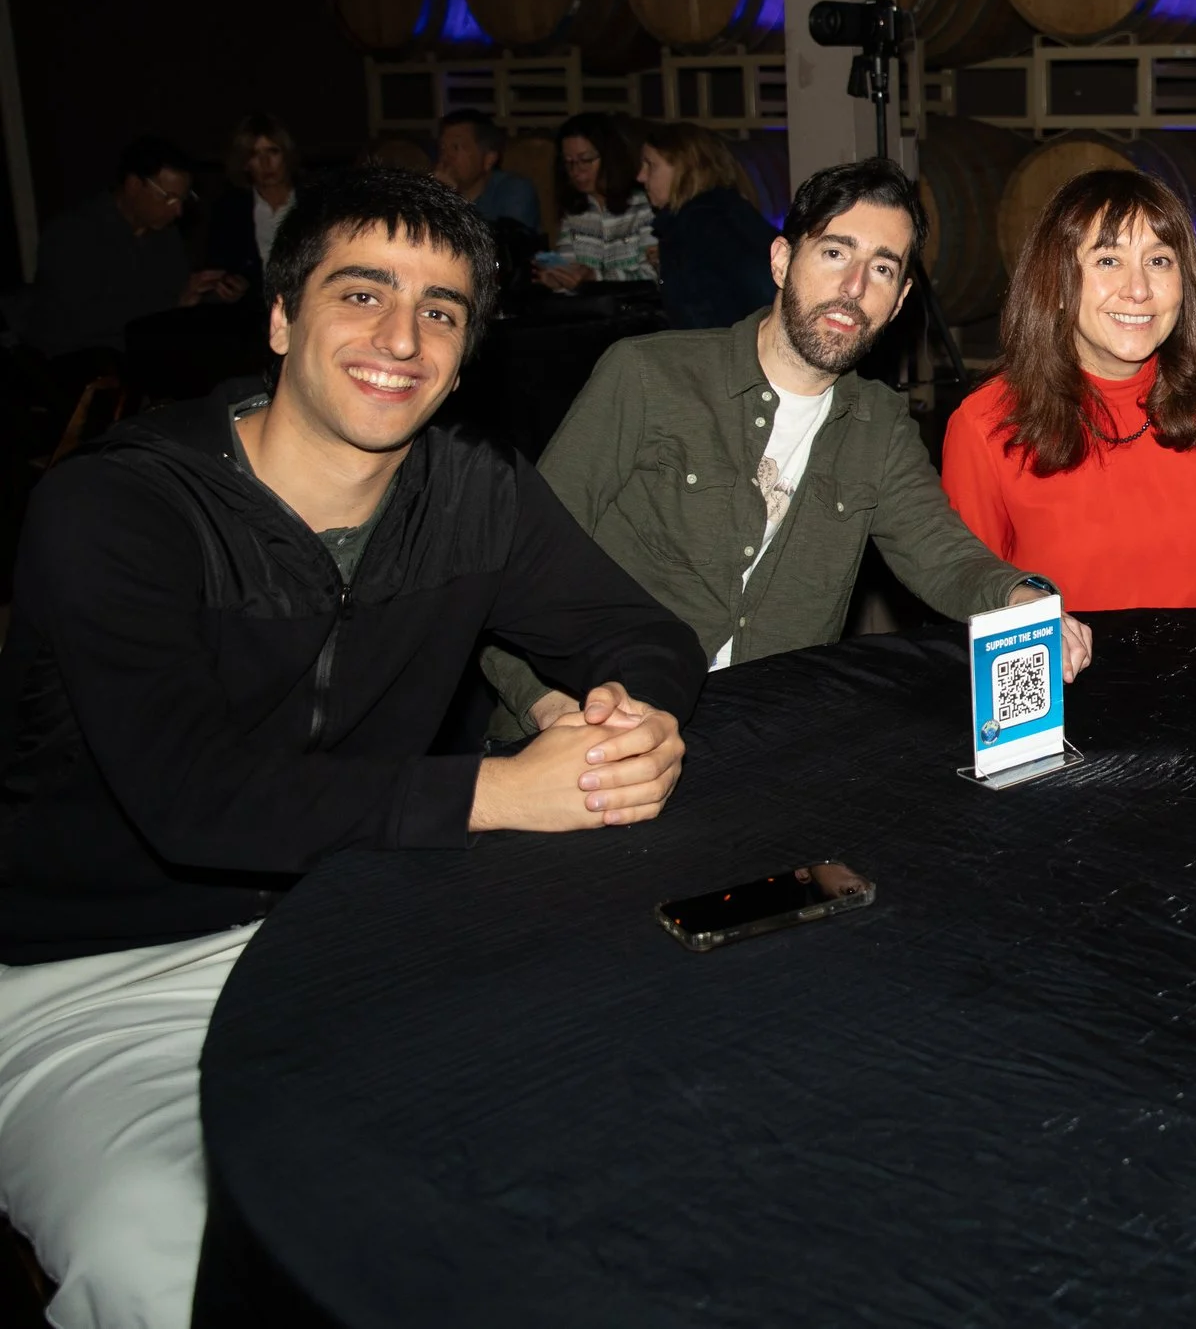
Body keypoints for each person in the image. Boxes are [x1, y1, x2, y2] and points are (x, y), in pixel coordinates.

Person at [0, 165, 706, 1329]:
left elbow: (639, 630)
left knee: (604, 1143)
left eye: (440, 309)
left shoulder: (473, 490)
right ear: (281, 318)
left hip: (354, 929)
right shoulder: (115, 510)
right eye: (360, 293)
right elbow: (195, 798)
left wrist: (636, 717)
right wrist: (497, 792)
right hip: (89, 979)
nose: (401, 336)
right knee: (168, 1251)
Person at [482, 156, 1090, 737]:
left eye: (882, 269)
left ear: (900, 302)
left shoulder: (877, 424)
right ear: (781, 260)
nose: (853, 287)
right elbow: (517, 560)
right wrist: (548, 705)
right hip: (592, 719)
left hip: (759, 734)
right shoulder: (648, 376)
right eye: (834, 252)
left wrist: (1021, 597)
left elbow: (940, 552)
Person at [942, 167, 1196, 610]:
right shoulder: (986, 426)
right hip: (1085, 676)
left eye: (1158, 261)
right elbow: (975, 603)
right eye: (1108, 260)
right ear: (1056, 284)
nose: (1138, 290)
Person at [23, 136, 245, 371]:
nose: (178, 210)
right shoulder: (72, 234)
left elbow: (177, 292)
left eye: (183, 199)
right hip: (78, 365)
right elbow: (83, 319)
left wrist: (214, 293)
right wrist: (174, 304)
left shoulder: (164, 235)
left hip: (144, 356)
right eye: (169, 197)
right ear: (134, 185)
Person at [641, 120, 776, 330]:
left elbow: (763, 286)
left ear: (683, 169)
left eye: (651, 165)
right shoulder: (709, 215)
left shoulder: (704, 222)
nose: (641, 176)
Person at [536, 111, 657, 291]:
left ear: (609, 158)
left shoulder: (643, 206)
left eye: (585, 160)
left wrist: (595, 278)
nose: (576, 171)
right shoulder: (575, 210)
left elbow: (653, 277)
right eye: (569, 162)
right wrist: (559, 281)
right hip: (587, 312)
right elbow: (570, 268)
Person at [202, 112, 300, 298]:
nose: (266, 163)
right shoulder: (230, 211)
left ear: (286, 155)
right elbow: (217, 267)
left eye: (273, 151)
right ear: (244, 163)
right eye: (255, 154)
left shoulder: (313, 202)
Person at [431, 107, 542, 255]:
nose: (446, 157)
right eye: (443, 148)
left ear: (488, 159)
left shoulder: (514, 190)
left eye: (456, 148)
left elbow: (505, 250)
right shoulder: (434, 192)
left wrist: (453, 201)